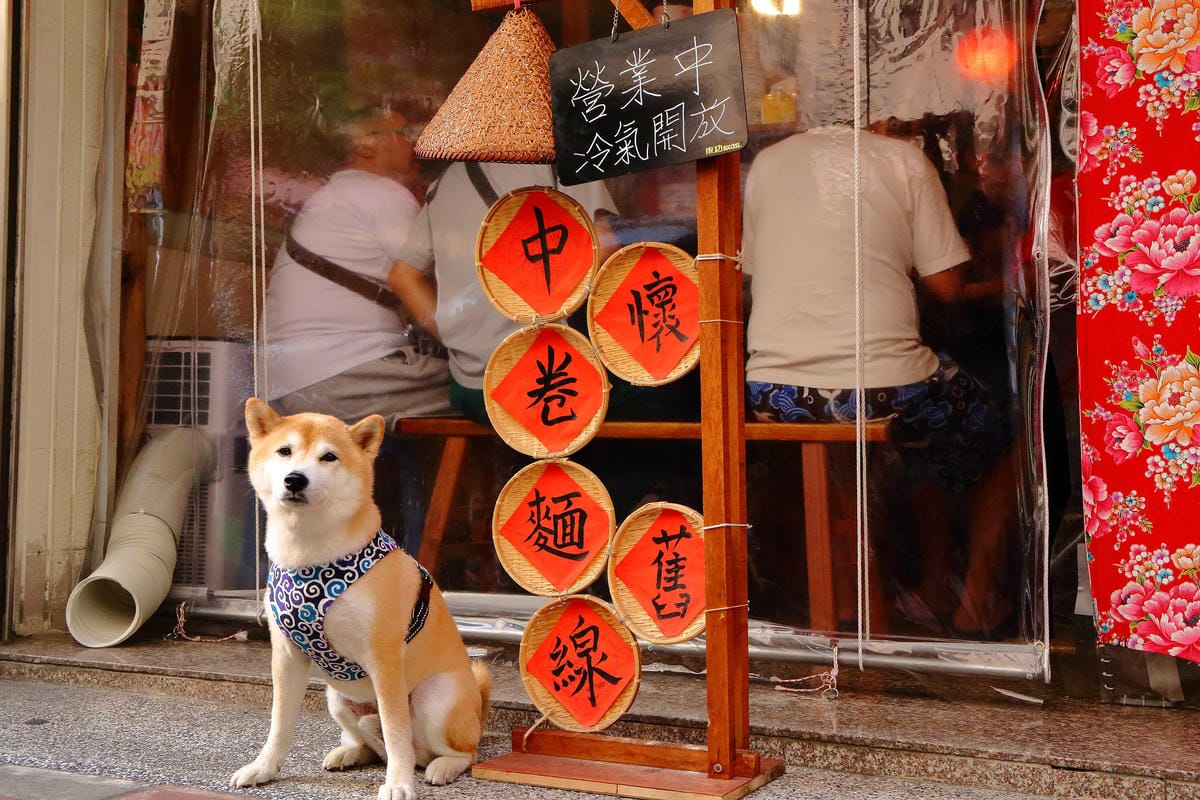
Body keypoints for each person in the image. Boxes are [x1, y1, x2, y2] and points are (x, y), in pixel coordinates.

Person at [741, 125, 1014, 636]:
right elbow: (947, 286)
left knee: (853, 452)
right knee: (1006, 433)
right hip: (882, 390)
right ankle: (973, 594)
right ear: (882, 111)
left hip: (774, 393)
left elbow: (757, 271)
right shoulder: (902, 159)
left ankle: (856, 599)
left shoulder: (768, 163)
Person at [264, 107, 452, 427]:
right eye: (404, 135)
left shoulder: (336, 196)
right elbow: (443, 279)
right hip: (341, 375)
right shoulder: (379, 192)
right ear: (365, 145)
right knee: (493, 382)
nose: (417, 143)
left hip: (292, 382)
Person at [388, 161, 617, 423]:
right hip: (550, 380)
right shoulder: (557, 161)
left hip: (473, 389)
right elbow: (603, 247)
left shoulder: (442, 184)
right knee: (649, 393)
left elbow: (402, 277)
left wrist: (458, 337)